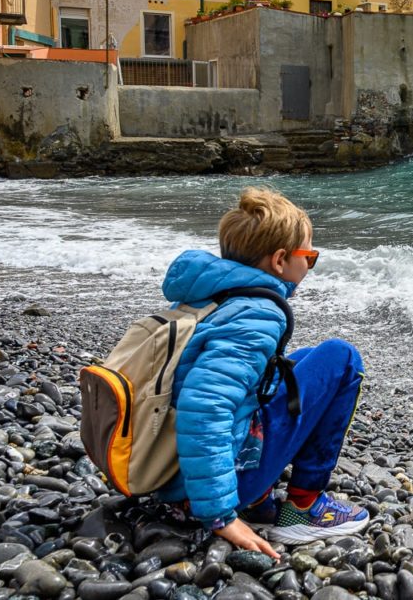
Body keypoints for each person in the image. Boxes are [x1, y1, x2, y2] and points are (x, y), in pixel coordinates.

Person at [154, 187, 369, 554]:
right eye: (309, 256)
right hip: (201, 492)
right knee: (341, 357)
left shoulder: (211, 293)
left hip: (170, 471)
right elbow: (205, 407)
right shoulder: (258, 313)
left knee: (303, 360)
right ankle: (302, 506)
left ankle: (259, 501)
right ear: (281, 260)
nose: (311, 264)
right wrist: (220, 515)